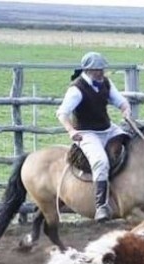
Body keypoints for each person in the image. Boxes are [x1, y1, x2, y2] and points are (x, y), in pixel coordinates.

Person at [56, 51, 131, 222]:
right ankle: (101, 206)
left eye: (102, 69)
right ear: (88, 70)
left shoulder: (105, 82)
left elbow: (121, 101)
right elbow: (62, 113)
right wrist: (71, 131)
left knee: (132, 142)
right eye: (98, 69)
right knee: (100, 161)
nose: (102, 72)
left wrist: (125, 110)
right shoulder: (76, 89)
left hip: (107, 128)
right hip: (86, 132)